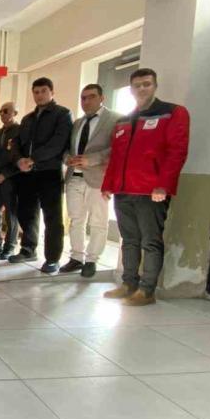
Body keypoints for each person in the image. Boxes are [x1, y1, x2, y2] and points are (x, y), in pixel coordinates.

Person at [102, 68, 189, 306]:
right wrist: (108, 185)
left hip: (151, 192)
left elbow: (177, 152)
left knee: (150, 241)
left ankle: (147, 290)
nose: (142, 88)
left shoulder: (173, 113)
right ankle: (128, 283)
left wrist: (163, 185)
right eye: (137, 85)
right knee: (129, 240)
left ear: (155, 86)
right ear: (131, 89)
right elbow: (116, 156)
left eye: (147, 84)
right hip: (123, 191)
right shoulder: (123, 121)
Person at [9, 77, 73, 274]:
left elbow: (58, 143)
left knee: (52, 217)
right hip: (27, 173)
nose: (39, 95)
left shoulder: (62, 114)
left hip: (49, 172)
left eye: (43, 91)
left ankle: (52, 259)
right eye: (36, 92)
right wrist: (19, 160)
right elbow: (16, 143)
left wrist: (33, 159)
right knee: (27, 213)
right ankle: (28, 249)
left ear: (52, 92)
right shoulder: (27, 119)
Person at [60, 84, 120, 278]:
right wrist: (67, 158)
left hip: (98, 178)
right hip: (74, 177)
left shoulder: (115, 119)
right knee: (76, 219)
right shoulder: (78, 122)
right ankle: (76, 257)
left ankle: (92, 259)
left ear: (102, 98)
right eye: (83, 98)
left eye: (91, 97)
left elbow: (117, 148)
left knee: (98, 221)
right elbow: (67, 148)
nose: (86, 101)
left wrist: (92, 160)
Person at [0, 102, 21, 260]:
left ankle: (9, 247)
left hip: (11, 180)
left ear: (15, 113)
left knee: (10, 216)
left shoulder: (20, 131)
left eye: (6, 111)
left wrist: (4, 175)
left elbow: (20, 158)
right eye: (1, 111)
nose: (2, 114)